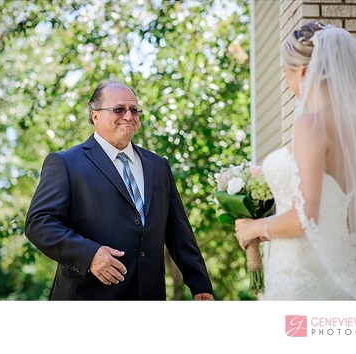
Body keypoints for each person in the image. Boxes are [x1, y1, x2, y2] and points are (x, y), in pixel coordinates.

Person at [233, 21, 356, 300]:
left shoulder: (310, 125)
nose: (286, 80)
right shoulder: (354, 130)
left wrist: (255, 227)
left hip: (300, 275)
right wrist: (275, 228)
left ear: (303, 71)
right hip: (337, 269)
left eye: (286, 72)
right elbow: (354, 219)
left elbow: (306, 218)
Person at [25, 81, 214, 300]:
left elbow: (179, 231)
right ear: (95, 116)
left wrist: (200, 285)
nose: (128, 116)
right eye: (119, 109)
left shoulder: (159, 165)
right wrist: (90, 256)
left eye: (134, 110)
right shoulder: (66, 164)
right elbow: (39, 223)